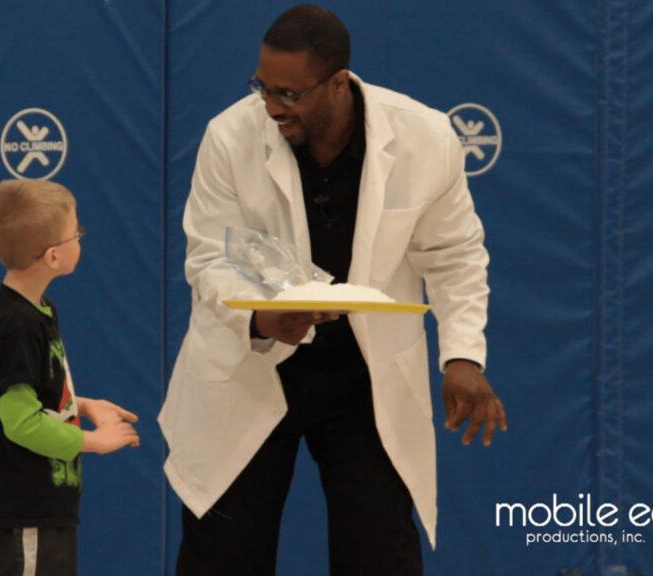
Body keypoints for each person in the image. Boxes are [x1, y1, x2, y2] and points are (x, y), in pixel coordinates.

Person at [158, 5, 507, 575]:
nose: (271, 106)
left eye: (288, 94)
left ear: (338, 83)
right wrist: (261, 318)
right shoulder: (230, 136)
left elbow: (454, 255)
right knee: (221, 557)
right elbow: (209, 257)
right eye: (262, 87)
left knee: (380, 554)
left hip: (362, 377)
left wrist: (463, 354)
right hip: (254, 363)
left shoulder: (424, 136)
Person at [0, 179, 140, 576]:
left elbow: (32, 394)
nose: (82, 240)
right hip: (24, 510)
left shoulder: (37, 310)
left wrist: (82, 404)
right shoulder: (12, 323)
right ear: (53, 257)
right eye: (78, 233)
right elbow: (20, 422)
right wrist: (93, 441)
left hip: (44, 507)